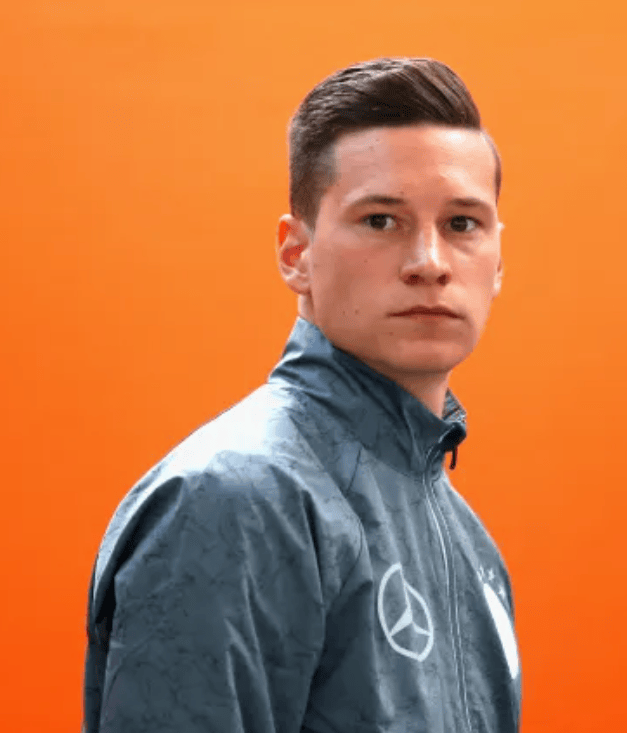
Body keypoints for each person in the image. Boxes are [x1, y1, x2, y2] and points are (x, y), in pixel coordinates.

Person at [83, 56, 521, 732]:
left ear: (498, 262)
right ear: (295, 253)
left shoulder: (472, 546)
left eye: (462, 223)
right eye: (381, 220)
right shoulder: (233, 502)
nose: (430, 262)